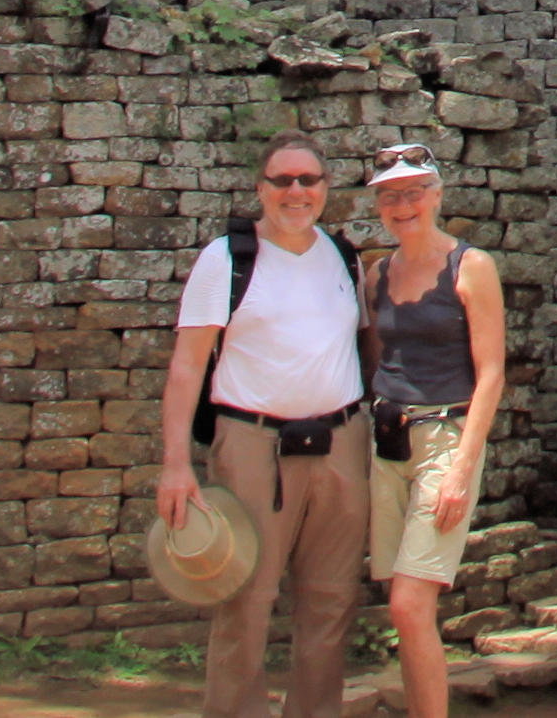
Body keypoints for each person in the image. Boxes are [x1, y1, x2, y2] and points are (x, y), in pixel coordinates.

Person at [159, 134, 370, 718]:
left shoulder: (344, 256)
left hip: (342, 441)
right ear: (260, 189)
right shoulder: (226, 259)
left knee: (331, 600)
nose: (296, 191)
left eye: (309, 180)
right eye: (283, 180)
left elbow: (360, 348)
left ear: (326, 190)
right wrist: (176, 465)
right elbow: (187, 366)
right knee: (246, 599)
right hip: (253, 442)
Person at [359, 140, 510, 718]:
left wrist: (462, 469)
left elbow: (492, 372)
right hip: (390, 441)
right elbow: (377, 360)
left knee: (407, 604)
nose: (404, 205)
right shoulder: (377, 274)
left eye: (415, 191)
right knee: (402, 603)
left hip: (446, 440)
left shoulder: (470, 267)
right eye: (391, 196)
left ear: (437, 194)